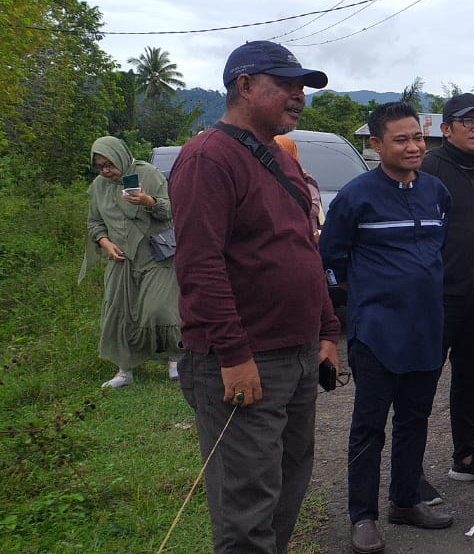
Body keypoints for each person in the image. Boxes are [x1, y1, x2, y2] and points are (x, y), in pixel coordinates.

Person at [169, 40, 342, 554]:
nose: (298, 97)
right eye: (285, 85)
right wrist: (235, 355)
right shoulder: (207, 158)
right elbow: (200, 268)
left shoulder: (281, 161)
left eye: (301, 88)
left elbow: (304, 254)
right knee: (247, 505)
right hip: (245, 359)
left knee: (289, 484)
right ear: (244, 85)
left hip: (296, 354)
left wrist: (327, 331)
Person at [320, 102, 454, 553]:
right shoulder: (356, 196)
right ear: (376, 145)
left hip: (428, 329)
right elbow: (330, 257)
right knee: (368, 427)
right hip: (376, 332)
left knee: (415, 419)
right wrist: (359, 300)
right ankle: (363, 516)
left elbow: (440, 247)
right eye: (401, 139)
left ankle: (404, 500)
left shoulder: (436, 192)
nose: (414, 146)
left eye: (417, 137)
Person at [418, 92, 474, 497]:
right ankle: (409, 470)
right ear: (446, 128)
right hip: (435, 298)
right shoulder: (427, 169)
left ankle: (466, 458)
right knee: (420, 381)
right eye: (468, 121)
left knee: (470, 378)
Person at [79, 135, 182, 387]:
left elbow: (171, 210)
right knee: (119, 313)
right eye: (100, 166)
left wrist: (148, 202)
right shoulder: (99, 187)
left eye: (109, 164)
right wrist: (105, 242)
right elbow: (95, 223)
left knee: (159, 308)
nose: (106, 171)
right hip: (121, 258)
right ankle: (125, 370)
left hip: (156, 255)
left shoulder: (149, 175)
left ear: (121, 157)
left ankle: (175, 359)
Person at [274, 134, 322, 240]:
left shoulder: (304, 177)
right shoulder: (266, 175)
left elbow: (313, 208)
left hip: (302, 237)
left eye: (282, 150)